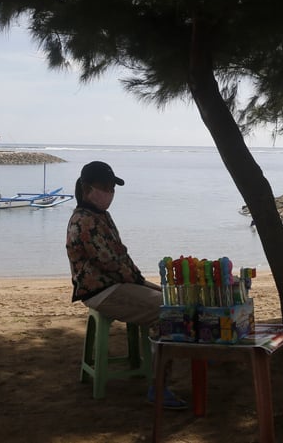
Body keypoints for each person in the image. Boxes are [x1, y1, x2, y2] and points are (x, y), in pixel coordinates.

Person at [66, 160, 186, 409]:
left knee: (171, 298)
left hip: (118, 283)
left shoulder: (101, 216)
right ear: (87, 188)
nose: (110, 192)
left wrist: (141, 281)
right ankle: (159, 387)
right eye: (105, 186)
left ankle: (157, 372)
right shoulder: (84, 221)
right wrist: (140, 281)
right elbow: (110, 262)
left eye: (112, 187)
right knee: (167, 310)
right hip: (101, 290)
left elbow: (120, 257)